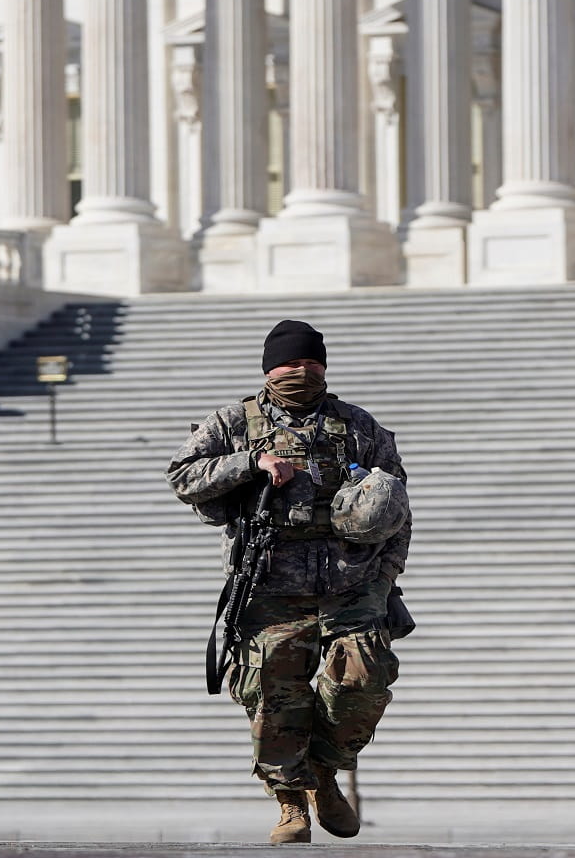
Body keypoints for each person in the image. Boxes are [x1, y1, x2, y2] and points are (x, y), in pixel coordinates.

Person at [167, 319, 410, 844]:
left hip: (351, 584)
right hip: (269, 585)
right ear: (268, 368)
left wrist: (385, 578)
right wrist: (250, 464)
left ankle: (325, 771)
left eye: (311, 362)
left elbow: (397, 510)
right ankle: (290, 802)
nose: (301, 371)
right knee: (273, 694)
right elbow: (182, 475)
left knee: (365, 680)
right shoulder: (233, 421)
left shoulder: (358, 426)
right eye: (290, 363)